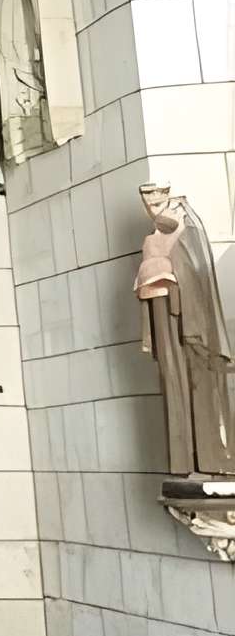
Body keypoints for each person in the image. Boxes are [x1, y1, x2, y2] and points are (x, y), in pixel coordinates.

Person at [134, 184, 235, 478]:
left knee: (192, 380)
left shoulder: (180, 224)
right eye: (147, 199)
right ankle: (189, 460)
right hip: (162, 307)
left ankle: (209, 458)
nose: (151, 205)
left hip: (178, 308)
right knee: (174, 381)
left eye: (156, 197)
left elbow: (190, 267)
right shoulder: (162, 231)